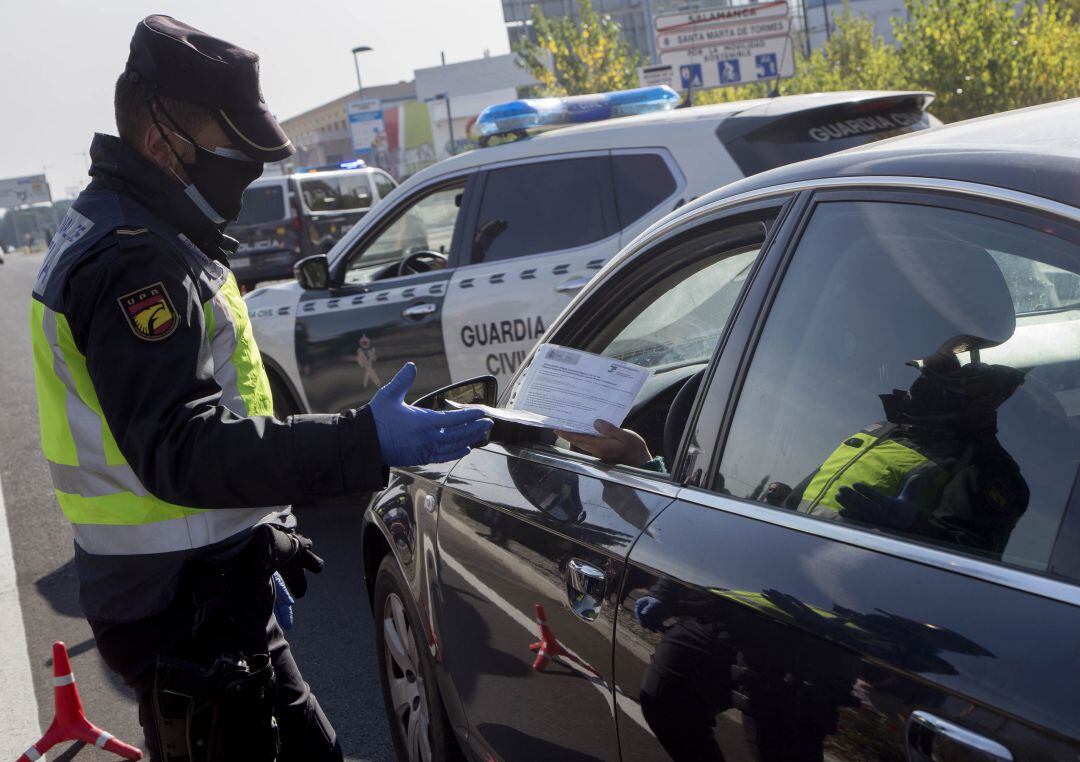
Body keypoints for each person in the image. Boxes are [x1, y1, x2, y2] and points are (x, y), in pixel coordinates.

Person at [29, 16, 491, 761]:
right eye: (230, 150)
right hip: (180, 609)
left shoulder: (153, 230)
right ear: (161, 142)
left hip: (201, 589)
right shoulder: (133, 261)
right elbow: (181, 446)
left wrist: (263, 534)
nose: (245, 172)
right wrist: (358, 440)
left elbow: (220, 412)